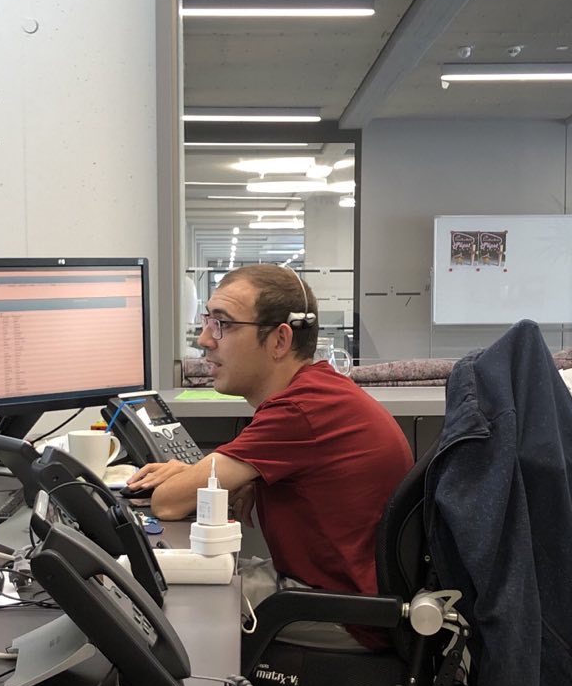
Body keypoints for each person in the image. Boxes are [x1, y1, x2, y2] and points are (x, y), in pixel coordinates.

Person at [127, 264, 412, 646]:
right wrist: (224, 477)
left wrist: (191, 480)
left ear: (279, 340)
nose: (205, 339)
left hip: (345, 621)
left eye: (223, 324)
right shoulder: (318, 392)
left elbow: (167, 501)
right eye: (207, 321)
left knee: (157, 606)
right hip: (344, 601)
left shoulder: (299, 411)